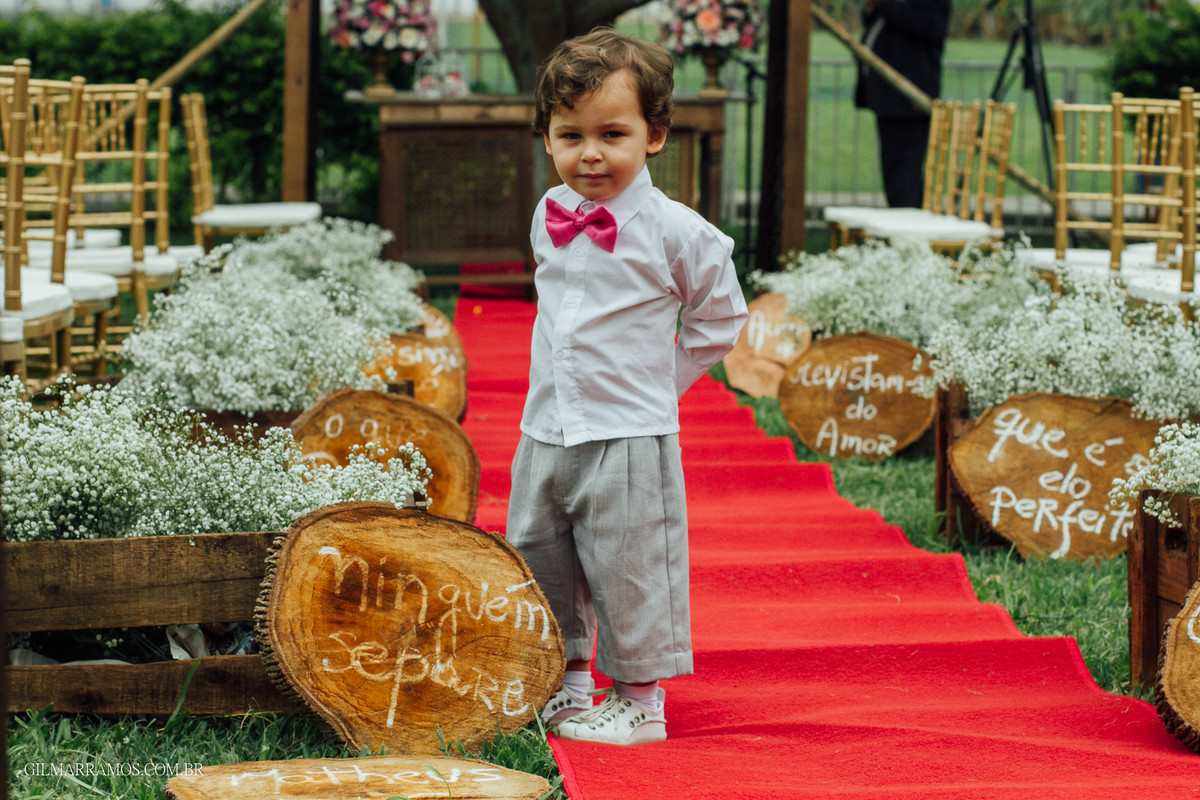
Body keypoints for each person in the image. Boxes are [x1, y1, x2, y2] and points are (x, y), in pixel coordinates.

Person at [506, 28, 748, 746]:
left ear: (655, 135)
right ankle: (566, 683)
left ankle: (640, 701)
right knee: (539, 553)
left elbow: (721, 313)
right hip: (546, 425)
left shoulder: (677, 231)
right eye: (569, 134)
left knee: (628, 564)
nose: (590, 153)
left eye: (613, 133)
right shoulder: (548, 217)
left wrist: (662, 386)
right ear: (547, 138)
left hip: (628, 433)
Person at [855, 0, 952, 208]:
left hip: (910, 99)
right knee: (893, 174)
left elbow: (931, 26)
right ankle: (902, 230)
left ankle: (908, 235)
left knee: (905, 177)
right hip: (888, 97)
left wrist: (883, 4)